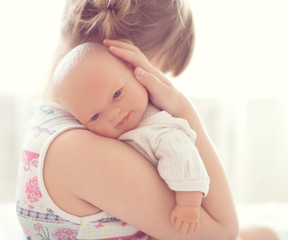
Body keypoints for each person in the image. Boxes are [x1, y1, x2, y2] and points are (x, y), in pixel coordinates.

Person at [16, 0, 279, 239]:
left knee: (263, 232)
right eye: (158, 74)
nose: (157, 96)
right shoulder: (84, 152)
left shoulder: (55, 114)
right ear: (128, 58)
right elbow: (223, 232)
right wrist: (182, 108)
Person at [53, 42, 210, 237]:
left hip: (183, 208)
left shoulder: (159, 129)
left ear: (136, 73)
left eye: (117, 94)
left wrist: (188, 205)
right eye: (95, 116)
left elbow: (185, 158)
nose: (113, 114)